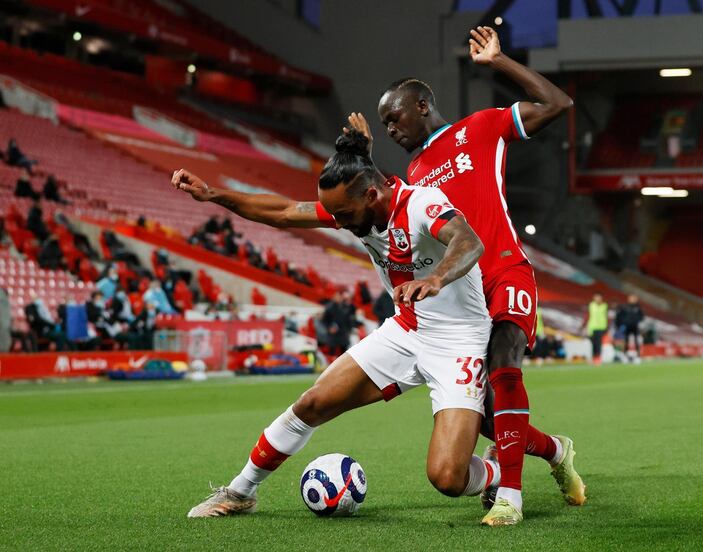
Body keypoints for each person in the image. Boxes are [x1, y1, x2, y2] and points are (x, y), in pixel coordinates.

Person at [179, 131, 502, 525]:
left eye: (345, 215)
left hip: (459, 341)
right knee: (311, 403)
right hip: (406, 331)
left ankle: (497, 471)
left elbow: (468, 242)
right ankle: (241, 491)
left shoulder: (423, 204)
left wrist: (437, 278)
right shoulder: (353, 208)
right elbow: (282, 212)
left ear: (370, 197)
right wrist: (213, 194)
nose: (341, 224)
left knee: (448, 477)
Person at [348, 25, 582, 523]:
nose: (391, 128)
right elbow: (383, 214)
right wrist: (362, 158)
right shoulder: (412, 174)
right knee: (483, 416)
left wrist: (500, 63)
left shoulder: (483, 127)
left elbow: (558, 103)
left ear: (422, 106)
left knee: (505, 362)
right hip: (459, 297)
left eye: (395, 118)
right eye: (385, 124)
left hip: (504, 271)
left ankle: (510, 498)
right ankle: (557, 453)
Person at [617, 294, 644, 362]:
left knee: (636, 341)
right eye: (631, 298)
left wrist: (637, 321)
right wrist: (621, 324)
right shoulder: (625, 307)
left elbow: (642, 316)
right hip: (627, 326)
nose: (632, 299)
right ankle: (625, 356)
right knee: (626, 341)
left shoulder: (638, 307)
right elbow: (619, 316)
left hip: (635, 326)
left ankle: (638, 356)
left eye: (634, 298)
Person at [586, 294, 608, 365]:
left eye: (599, 298)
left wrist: (606, 327)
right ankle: (593, 358)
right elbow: (588, 316)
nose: (597, 299)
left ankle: (598, 358)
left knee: (599, 343)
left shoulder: (604, 306)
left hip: (601, 327)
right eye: (596, 298)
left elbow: (605, 317)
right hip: (592, 327)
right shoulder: (591, 305)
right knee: (593, 344)